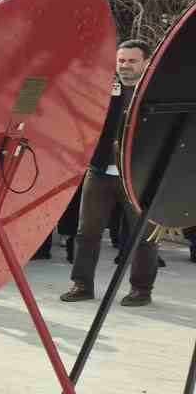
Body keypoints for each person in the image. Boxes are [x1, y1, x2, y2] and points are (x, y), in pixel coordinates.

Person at [62, 39, 160, 306]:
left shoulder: (155, 92)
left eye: (132, 61)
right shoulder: (103, 90)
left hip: (139, 177)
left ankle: (141, 290)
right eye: (121, 61)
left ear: (146, 62)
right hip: (100, 172)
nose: (125, 66)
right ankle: (82, 285)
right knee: (87, 232)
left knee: (143, 235)